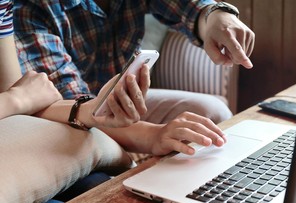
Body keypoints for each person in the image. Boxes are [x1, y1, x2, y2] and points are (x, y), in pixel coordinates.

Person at [13, 0, 255, 126]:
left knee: (212, 113)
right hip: (65, 115)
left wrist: (215, 15)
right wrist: (156, 135)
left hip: (116, 99)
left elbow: (190, 7)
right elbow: (77, 106)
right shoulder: (28, 8)